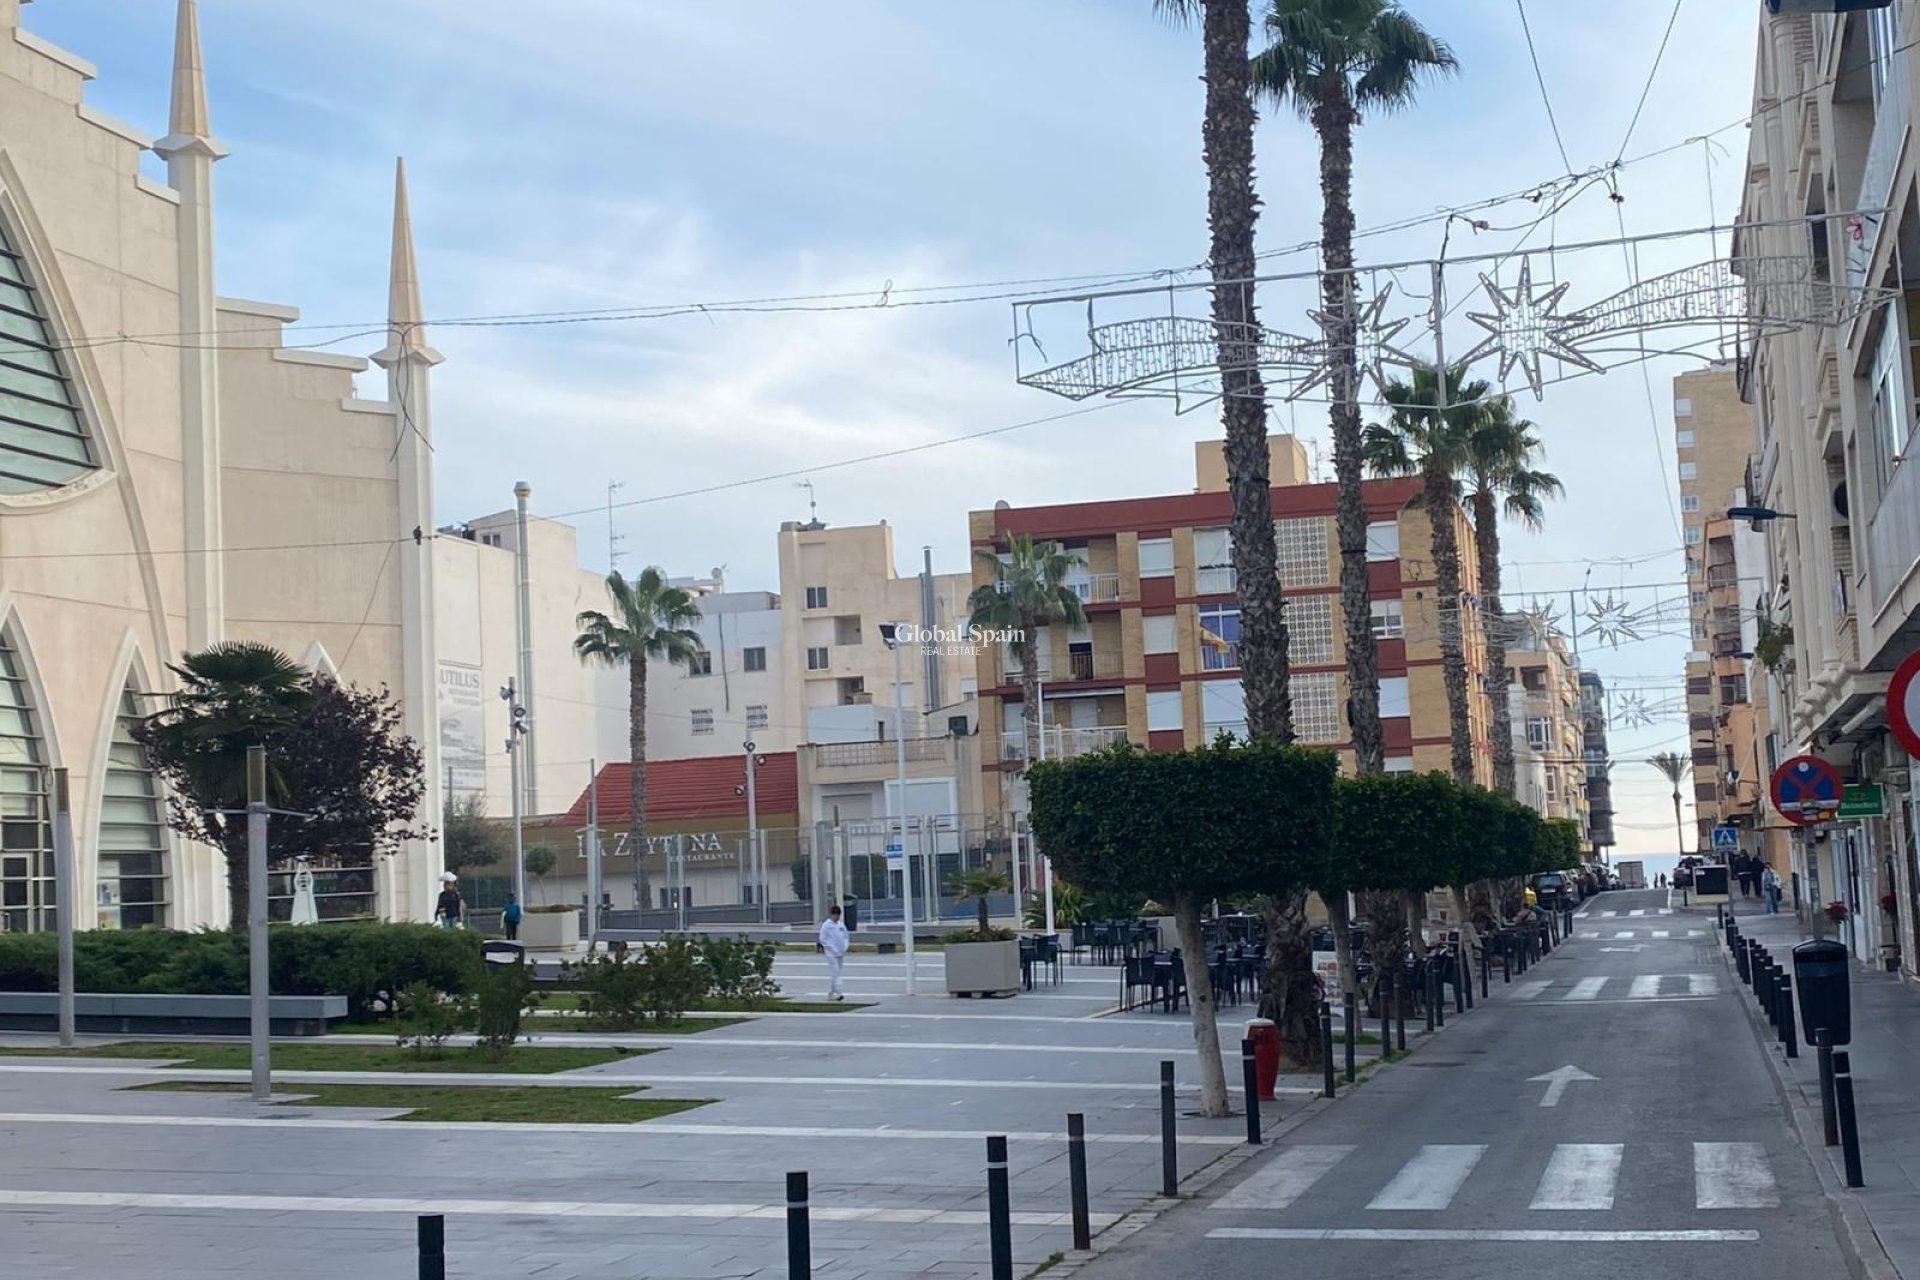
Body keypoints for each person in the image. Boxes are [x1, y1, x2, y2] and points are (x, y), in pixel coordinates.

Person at [818, 904, 850, 1002]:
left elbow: (846, 937)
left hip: (840, 953)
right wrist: (832, 948)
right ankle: (839, 992)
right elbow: (823, 939)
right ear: (831, 915)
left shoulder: (841, 925)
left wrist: (845, 947)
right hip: (831, 954)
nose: (837, 917)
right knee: (836, 971)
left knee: (836, 973)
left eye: (838, 915)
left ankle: (831, 993)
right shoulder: (826, 925)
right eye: (835, 915)